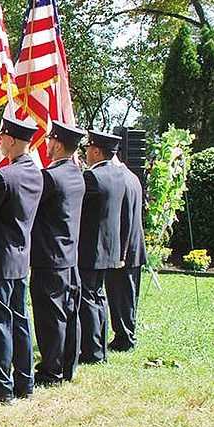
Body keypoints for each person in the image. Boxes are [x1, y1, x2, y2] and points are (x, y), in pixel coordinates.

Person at [0, 116, 44, 403]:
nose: (0, 142)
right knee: (19, 319)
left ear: (12, 140)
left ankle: (0, 383)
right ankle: (24, 379)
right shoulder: (36, 173)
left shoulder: (4, 177)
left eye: (3, 138)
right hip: (20, 256)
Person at [29, 121, 86, 386]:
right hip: (69, 256)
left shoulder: (50, 177)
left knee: (50, 317)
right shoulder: (76, 174)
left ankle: (51, 371)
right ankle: (67, 366)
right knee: (69, 314)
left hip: (49, 258)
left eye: (50, 140)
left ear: (58, 144)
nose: (47, 145)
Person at [78, 130, 126, 364]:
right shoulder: (118, 174)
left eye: (88, 148)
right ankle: (99, 348)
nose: (86, 152)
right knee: (98, 297)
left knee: (87, 299)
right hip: (108, 247)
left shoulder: (92, 177)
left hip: (90, 247)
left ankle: (92, 350)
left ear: (96, 151)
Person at [108, 157, 146, 352]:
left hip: (125, 250)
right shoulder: (132, 177)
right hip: (134, 248)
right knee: (128, 296)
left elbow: (124, 219)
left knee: (121, 297)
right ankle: (126, 333)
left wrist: (120, 254)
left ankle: (125, 337)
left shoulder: (120, 180)